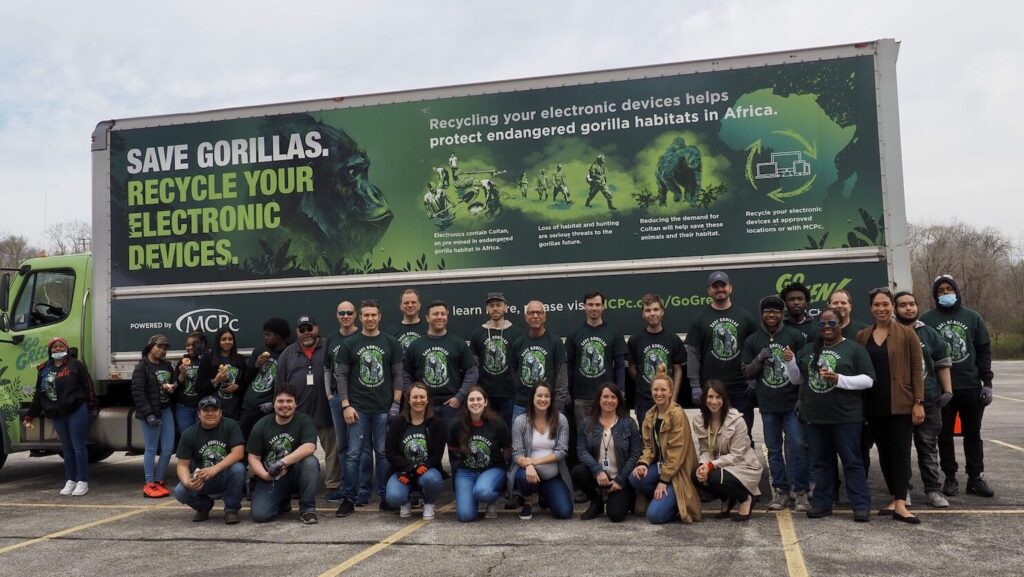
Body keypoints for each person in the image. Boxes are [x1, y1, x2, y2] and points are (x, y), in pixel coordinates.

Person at [785, 308, 875, 522]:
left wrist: (840, 379)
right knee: (820, 463)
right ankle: (823, 503)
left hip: (846, 418)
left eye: (831, 323)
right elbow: (797, 380)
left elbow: (869, 380)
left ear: (841, 323)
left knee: (852, 462)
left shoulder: (854, 349)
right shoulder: (808, 350)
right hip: (815, 418)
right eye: (822, 324)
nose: (826, 327)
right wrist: (790, 362)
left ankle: (860, 505)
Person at [920, 274, 995, 498]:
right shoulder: (927, 319)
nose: (945, 294)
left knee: (973, 434)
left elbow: (983, 350)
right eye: (940, 291)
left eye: (948, 289)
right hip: (943, 391)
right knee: (944, 435)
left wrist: (987, 383)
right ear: (935, 295)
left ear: (957, 291)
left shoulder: (972, 317)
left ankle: (974, 477)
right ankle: (950, 478)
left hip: (971, 386)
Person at [854, 287, 925, 524]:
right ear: (871, 308)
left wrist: (918, 402)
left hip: (901, 404)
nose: (881, 308)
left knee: (901, 452)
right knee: (884, 453)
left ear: (892, 307)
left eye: (886, 304)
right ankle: (894, 499)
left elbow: (917, 369)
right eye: (877, 305)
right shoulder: (863, 336)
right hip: (873, 405)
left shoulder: (907, 334)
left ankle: (902, 503)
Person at [334, 299, 404, 516]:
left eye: (374, 315)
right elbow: (342, 376)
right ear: (360, 317)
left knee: (383, 454)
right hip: (358, 409)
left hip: (383, 409)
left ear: (379, 317)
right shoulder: (349, 343)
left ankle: (385, 497)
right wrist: (345, 405)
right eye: (366, 315)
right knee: (353, 454)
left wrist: (396, 404)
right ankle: (349, 498)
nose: (370, 318)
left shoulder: (391, 342)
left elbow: (398, 375)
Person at [741, 295, 809, 511]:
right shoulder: (753, 340)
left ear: (782, 314)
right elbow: (747, 373)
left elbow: (806, 372)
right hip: (768, 404)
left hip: (791, 404)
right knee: (773, 450)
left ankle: (800, 492)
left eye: (776, 312)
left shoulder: (795, 336)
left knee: (798, 446)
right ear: (762, 314)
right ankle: (779, 490)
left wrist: (801, 399)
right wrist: (759, 359)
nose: (772, 315)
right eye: (768, 311)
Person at [894, 291, 954, 508]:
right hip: (899, 403)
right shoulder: (890, 333)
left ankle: (933, 490)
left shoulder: (929, 333)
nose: (908, 308)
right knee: (900, 448)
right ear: (894, 308)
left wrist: (947, 391)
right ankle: (903, 491)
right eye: (902, 305)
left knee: (928, 447)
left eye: (911, 304)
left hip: (929, 402)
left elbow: (942, 362)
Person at [23, 336, 97, 496]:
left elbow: (88, 386)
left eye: (60, 346)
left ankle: (82, 481)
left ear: (66, 348)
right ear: (50, 350)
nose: (58, 349)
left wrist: (92, 407)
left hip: (76, 409)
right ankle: (70, 480)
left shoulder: (76, 365)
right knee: (67, 448)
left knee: (79, 446)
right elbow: (39, 394)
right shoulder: (44, 369)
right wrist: (30, 415)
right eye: (54, 347)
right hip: (56, 413)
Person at [686, 270, 758, 434]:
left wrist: (754, 379)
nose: (720, 289)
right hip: (712, 388)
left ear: (730, 288)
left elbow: (758, 348)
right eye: (715, 286)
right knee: (715, 434)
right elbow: (693, 354)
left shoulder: (745, 317)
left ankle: (744, 461)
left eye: (723, 285)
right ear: (709, 291)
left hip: (741, 387)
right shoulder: (699, 319)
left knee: (743, 434)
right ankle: (715, 461)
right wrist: (695, 385)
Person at [629, 366, 702, 524]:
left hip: (677, 471)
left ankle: (674, 500)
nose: (659, 393)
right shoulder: (650, 415)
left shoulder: (677, 414)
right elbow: (648, 446)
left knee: (654, 517)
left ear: (670, 392)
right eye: (655, 389)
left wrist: (663, 481)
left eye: (663, 390)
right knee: (635, 478)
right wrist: (643, 463)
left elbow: (677, 453)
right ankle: (661, 496)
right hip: (661, 466)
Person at [277, 315, 337, 496]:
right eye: (302, 330)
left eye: (309, 328)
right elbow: (280, 385)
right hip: (299, 415)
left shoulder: (329, 346)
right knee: (297, 453)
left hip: (326, 411)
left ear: (316, 328)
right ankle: (296, 484)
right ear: (297, 332)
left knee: (333, 452)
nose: (306, 333)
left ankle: (333, 485)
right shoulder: (288, 353)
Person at [247, 385, 321, 524]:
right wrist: (264, 475)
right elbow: (253, 457)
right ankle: (282, 502)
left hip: (295, 474)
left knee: (310, 462)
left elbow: (309, 447)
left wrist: (282, 462)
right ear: (274, 404)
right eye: (280, 401)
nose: (285, 405)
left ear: (295, 404)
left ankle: (307, 509)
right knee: (260, 515)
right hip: (272, 477)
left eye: (289, 401)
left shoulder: (304, 421)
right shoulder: (262, 424)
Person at [692, 380, 764, 521]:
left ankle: (747, 498)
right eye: (710, 397)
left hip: (743, 466)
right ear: (704, 399)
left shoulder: (737, 421)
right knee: (696, 476)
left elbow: (736, 456)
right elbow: (705, 450)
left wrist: (711, 466)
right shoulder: (700, 421)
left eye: (718, 397)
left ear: (724, 399)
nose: (714, 401)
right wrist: (703, 466)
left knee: (714, 478)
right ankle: (727, 498)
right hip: (721, 466)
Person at [403, 300, 478, 427]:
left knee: (455, 446)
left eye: (443, 314)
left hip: (452, 406)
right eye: (435, 314)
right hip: (424, 406)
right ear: (427, 317)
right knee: (427, 445)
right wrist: (414, 398)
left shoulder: (458, 343)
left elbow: (472, 372)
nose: (439, 317)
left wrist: (459, 397)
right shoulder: (415, 345)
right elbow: (405, 375)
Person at [324, 301, 371, 504]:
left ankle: (364, 489)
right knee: (342, 444)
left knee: (363, 446)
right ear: (337, 315)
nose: (345, 316)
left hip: (359, 398)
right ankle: (347, 485)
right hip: (337, 399)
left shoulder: (362, 337)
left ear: (356, 316)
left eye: (349, 313)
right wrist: (328, 393)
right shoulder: (332, 338)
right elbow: (327, 368)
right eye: (341, 312)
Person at [172, 395, 246, 524]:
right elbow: (182, 465)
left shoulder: (231, 425)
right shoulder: (189, 434)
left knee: (238, 469)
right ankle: (204, 507)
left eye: (214, 410)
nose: (210, 413)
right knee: (180, 491)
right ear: (199, 414)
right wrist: (188, 482)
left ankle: (231, 509)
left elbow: (238, 453)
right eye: (206, 410)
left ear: (220, 412)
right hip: (203, 478)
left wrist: (214, 469)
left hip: (225, 476)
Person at [573, 384, 641, 522]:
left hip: (620, 477)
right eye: (605, 396)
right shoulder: (587, 423)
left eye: (613, 397)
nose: (609, 400)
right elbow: (581, 450)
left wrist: (621, 480)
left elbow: (635, 453)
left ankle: (628, 496)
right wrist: (597, 471)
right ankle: (596, 501)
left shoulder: (629, 423)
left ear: (619, 400)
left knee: (615, 515)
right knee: (577, 472)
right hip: (597, 475)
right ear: (599, 399)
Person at [509, 382, 574, 520]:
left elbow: (562, 451)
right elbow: (517, 453)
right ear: (532, 398)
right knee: (522, 477)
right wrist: (528, 465)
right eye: (539, 395)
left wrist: (534, 461)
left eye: (547, 396)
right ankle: (528, 500)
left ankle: (545, 493)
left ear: (551, 399)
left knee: (564, 512)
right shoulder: (521, 421)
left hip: (552, 475)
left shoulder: (561, 419)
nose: (543, 399)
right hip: (528, 473)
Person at [448, 386, 511, 523]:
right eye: (471, 399)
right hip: (466, 471)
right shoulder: (457, 424)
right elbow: (452, 449)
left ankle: (492, 498)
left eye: (479, 399)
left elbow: (507, 449)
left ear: (485, 402)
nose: (475, 403)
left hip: (492, 468)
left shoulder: (498, 423)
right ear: (466, 403)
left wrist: (502, 469)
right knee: (465, 516)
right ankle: (473, 496)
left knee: (482, 491)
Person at [385, 383, 447, 520]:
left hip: (427, 470)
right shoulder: (397, 422)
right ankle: (405, 500)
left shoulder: (437, 423)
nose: (418, 400)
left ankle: (429, 503)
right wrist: (411, 469)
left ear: (427, 399)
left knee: (432, 480)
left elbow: (437, 455)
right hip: (402, 471)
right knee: (394, 497)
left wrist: (420, 467)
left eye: (422, 397)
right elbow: (390, 453)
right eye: (415, 397)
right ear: (408, 400)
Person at [566, 291, 626, 431]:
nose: (594, 308)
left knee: (607, 436)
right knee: (584, 437)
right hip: (581, 397)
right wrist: (567, 392)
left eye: (597, 304)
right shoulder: (574, 333)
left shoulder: (614, 333)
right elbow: (569, 366)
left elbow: (619, 365)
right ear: (584, 307)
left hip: (607, 397)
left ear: (603, 307)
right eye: (590, 304)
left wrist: (621, 391)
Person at [627, 293, 684, 422]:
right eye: (648, 310)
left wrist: (673, 398)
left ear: (662, 312)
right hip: (644, 402)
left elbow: (678, 370)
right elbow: (631, 367)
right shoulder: (635, 340)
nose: (652, 313)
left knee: (669, 439)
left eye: (656, 309)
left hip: (668, 400)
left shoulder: (673, 339)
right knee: (647, 439)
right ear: (643, 314)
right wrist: (642, 381)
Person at [131, 334, 176, 498]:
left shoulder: (167, 365)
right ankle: (149, 483)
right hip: (151, 412)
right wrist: (148, 414)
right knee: (151, 448)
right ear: (150, 347)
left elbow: (174, 383)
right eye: (159, 346)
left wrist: (172, 387)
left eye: (164, 348)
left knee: (168, 448)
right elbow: (138, 393)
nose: (162, 350)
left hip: (165, 409)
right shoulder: (142, 367)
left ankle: (159, 480)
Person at [469, 292, 522, 429]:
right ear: (487, 309)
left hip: (509, 393)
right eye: (491, 305)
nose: (495, 308)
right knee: (487, 431)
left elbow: (520, 364)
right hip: (485, 394)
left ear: (506, 308)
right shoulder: (477, 334)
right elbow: (473, 366)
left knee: (509, 432)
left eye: (499, 305)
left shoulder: (516, 333)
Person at [511, 300, 568, 419]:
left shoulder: (555, 342)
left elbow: (562, 377)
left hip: (547, 404)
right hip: (522, 404)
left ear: (544, 316)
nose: (535, 316)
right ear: (526, 317)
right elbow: (513, 370)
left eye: (539, 312)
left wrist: (558, 407)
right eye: (531, 313)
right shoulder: (518, 342)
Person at [239, 318, 290, 439]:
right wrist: (255, 365)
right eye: (264, 334)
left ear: (279, 335)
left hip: (267, 408)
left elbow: (288, 383)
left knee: (264, 442)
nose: (265, 337)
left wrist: (273, 404)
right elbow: (245, 378)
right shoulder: (259, 351)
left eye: (268, 334)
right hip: (248, 406)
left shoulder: (289, 353)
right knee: (243, 441)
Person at [195, 327, 250, 422]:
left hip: (234, 412)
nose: (227, 342)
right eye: (223, 339)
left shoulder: (240, 360)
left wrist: (237, 387)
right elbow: (199, 386)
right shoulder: (207, 359)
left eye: (230, 339)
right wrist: (215, 381)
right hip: (211, 412)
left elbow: (247, 383)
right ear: (218, 341)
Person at [172, 331, 206, 433]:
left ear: (201, 345)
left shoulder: (205, 360)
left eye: (193, 345)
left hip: (202, 406)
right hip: (184, 407)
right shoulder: (182, 361)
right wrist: (182, 374)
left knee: (201, 436)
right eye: (187, 345)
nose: (190, 347)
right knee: (186, 436)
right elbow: (175, 386)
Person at [386, 288, 428, 355]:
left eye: (413, 302)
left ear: (419, 305)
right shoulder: (391, 332)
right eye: (406, 303)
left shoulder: (428, 329)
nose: (410, 305)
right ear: (401, 306)